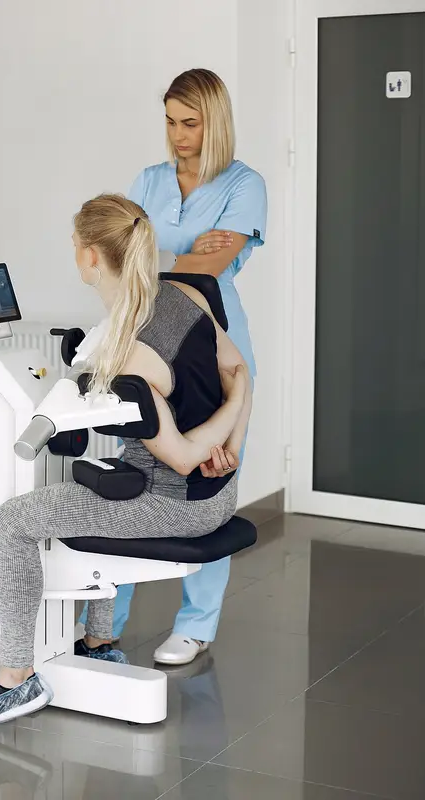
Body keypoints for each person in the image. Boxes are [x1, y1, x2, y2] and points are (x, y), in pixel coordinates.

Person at [0, 194, 252, 727]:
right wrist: (226, 448)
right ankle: (97, 643)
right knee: (104, 469)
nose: (74, 253)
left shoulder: (133, 357)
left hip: (178, 502)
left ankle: (15, 678)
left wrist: (207, 447)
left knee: (11, 522)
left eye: (74, 245)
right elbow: (239, 375)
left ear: (92, 258)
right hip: (219, 488)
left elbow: (181, 459)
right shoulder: (186, 293)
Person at [78, 68, 267, 667]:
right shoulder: (150, 181)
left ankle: (196, 624)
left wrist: (154, 254)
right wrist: (182, 252)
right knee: (133, 472)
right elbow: (143, 256)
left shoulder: (246, 185)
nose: (178, 135)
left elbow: (209, 269)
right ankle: (102, 621)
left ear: (216, 121)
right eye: (170, 122)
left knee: (209, 473)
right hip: (146, 335)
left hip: (214, 343)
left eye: (191, 123)